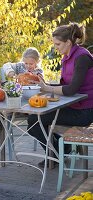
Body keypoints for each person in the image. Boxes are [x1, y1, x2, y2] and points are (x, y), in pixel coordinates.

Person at [27, 22, 93, 168]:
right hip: (74, 106)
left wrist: (47, 88)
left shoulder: (82, 57)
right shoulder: (68, 56)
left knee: (34, 121)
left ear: (68, 42)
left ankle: (54, 154)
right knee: (34, 119)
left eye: (57, 44)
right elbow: (65, 85)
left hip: (85, 111)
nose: (55, 47)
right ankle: (60, 150)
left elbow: (71, 90)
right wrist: (44, 87)